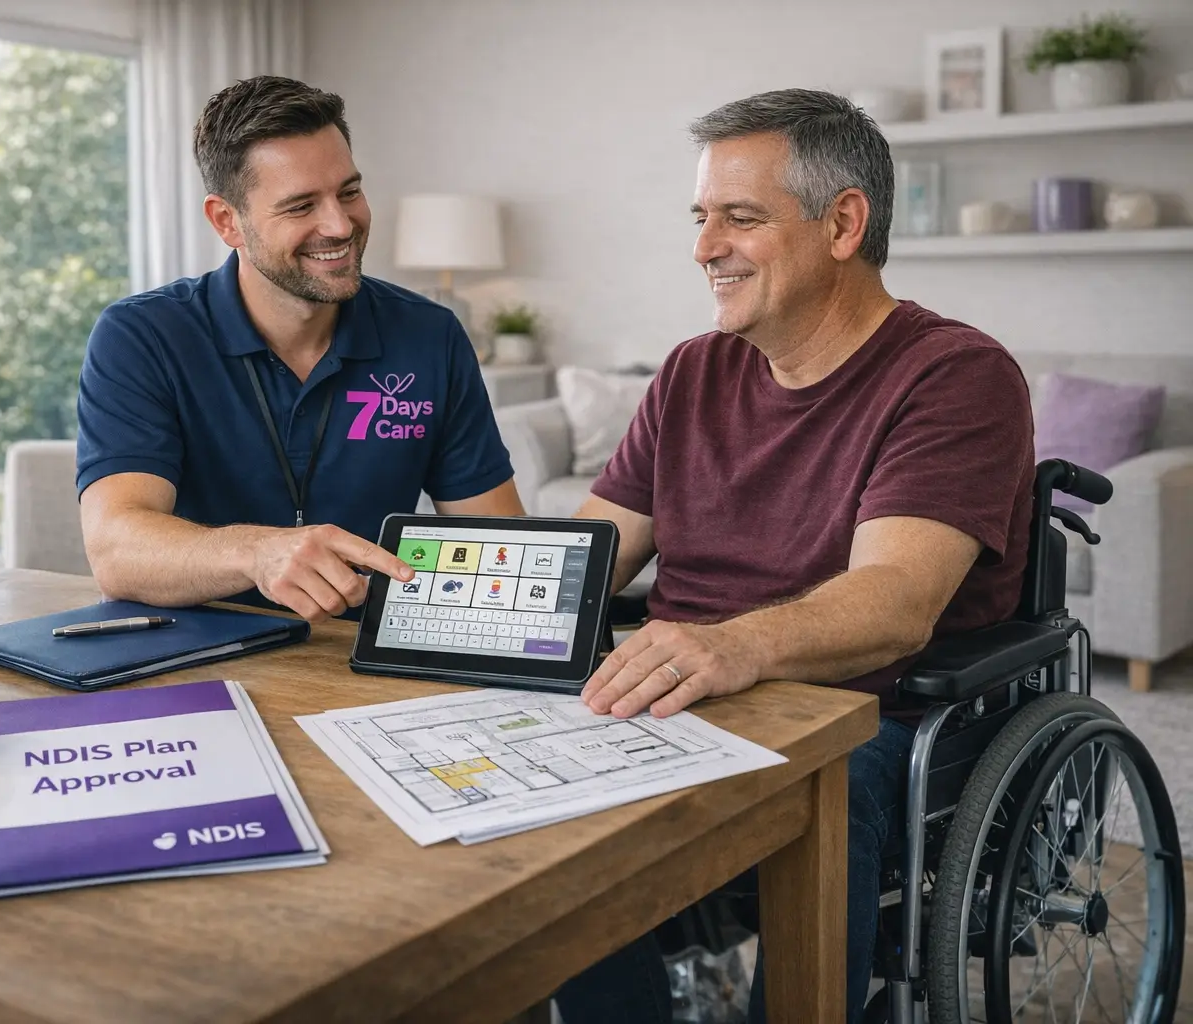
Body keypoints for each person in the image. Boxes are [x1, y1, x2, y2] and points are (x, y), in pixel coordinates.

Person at [555, 89, 1035, 1023]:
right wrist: (427, 598)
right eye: (700, 217)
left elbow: (895, 600)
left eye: (740, 217)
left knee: (819, 791)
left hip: (867, 721)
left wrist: (728, 645)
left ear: (844, 223)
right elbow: (588, 558)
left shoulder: (955, 375)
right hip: (690, 700)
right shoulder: (692, 370)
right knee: (522, 798)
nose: (704, 247)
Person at [75, 76, 524, 622]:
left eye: (349, 192)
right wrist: (259, 553)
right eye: (301, 206)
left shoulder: (431, 334)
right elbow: (117, 553)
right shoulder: (142, 335)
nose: (339, 225)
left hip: (361, 653)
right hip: (196, 652)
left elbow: (501, 547)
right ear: (227, 221)